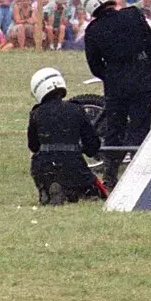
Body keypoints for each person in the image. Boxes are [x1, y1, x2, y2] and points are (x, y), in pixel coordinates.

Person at [82, 0, 151, 189]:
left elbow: (95, 66)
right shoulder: (132, 15)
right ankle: (140, 174)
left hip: (116, 83)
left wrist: (111, 76)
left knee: (115, 130)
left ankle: (110, 174)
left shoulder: (92, 30)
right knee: (139, 127)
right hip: (141, 78)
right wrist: (150, 72)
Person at [26, 67, 106, 205]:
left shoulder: (36, 113)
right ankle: (70, 192)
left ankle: (49, 189)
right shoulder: (76, 109)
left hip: (43, 166)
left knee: (44, 170)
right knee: (98, 194)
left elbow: (33, 146)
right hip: (73, 164)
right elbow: (92, 146)